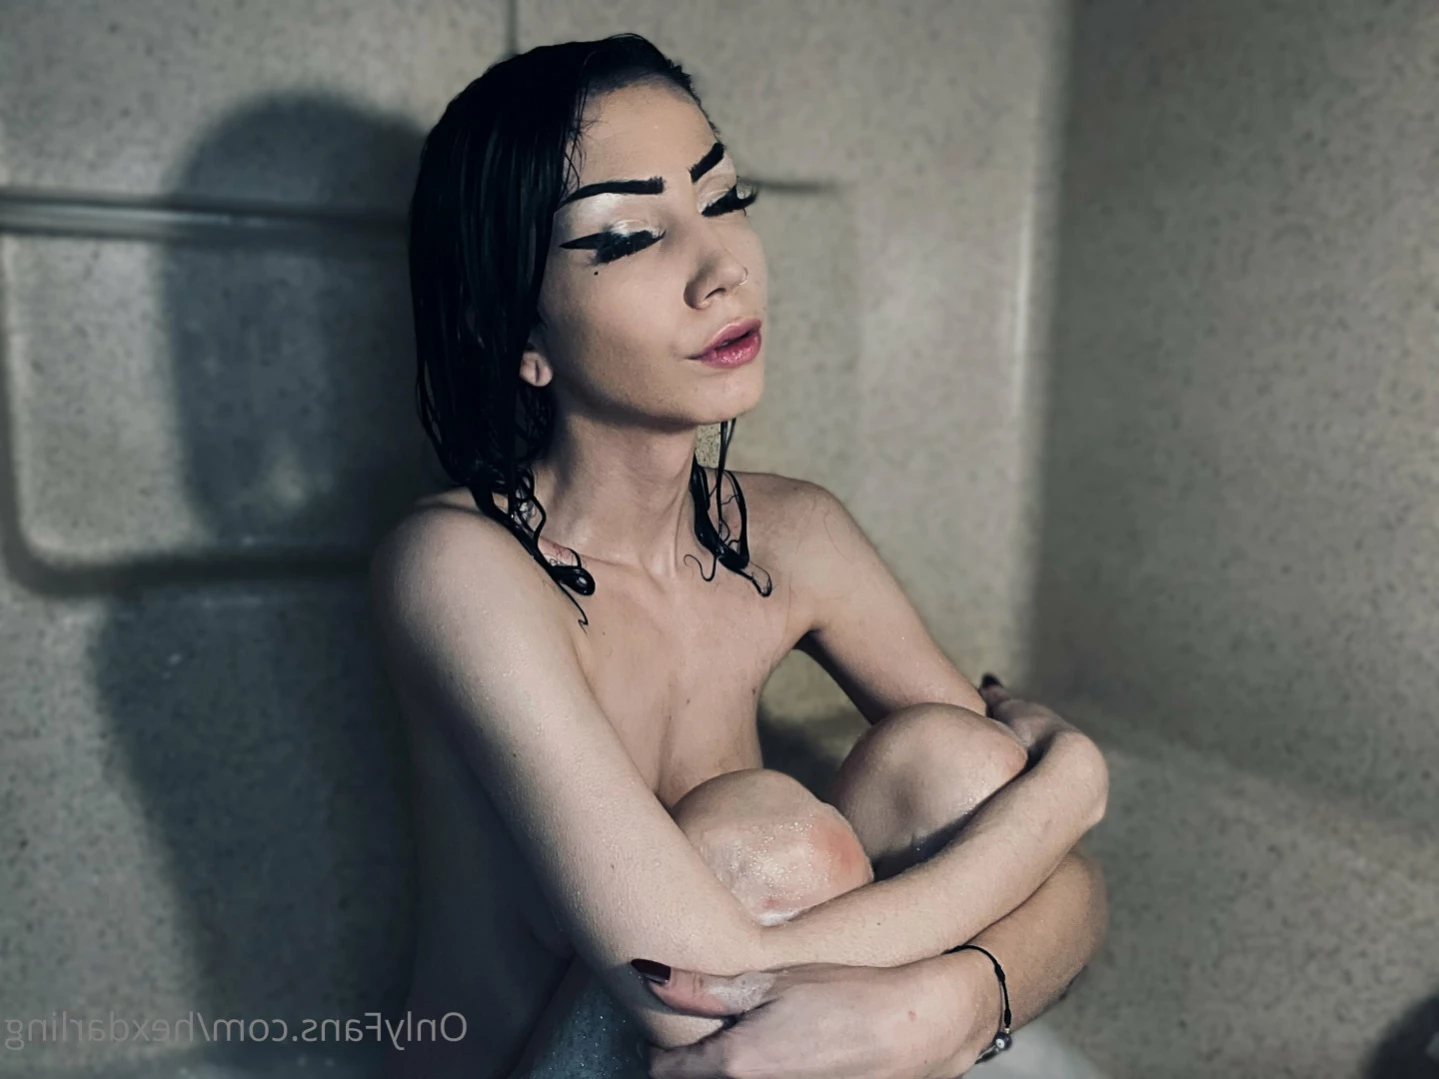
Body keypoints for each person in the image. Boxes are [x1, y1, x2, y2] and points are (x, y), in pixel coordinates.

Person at [368, 33, 1109, 1079]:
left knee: (962, 764)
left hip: (742, 1052)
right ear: (514, 332)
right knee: (770, 837)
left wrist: (953, 1000)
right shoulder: (453, 567)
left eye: (723, 199)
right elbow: (697, 986)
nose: (723, 269)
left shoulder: (791, 532)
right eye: (628, 236)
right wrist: (1070, 780)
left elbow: (1066, 885)